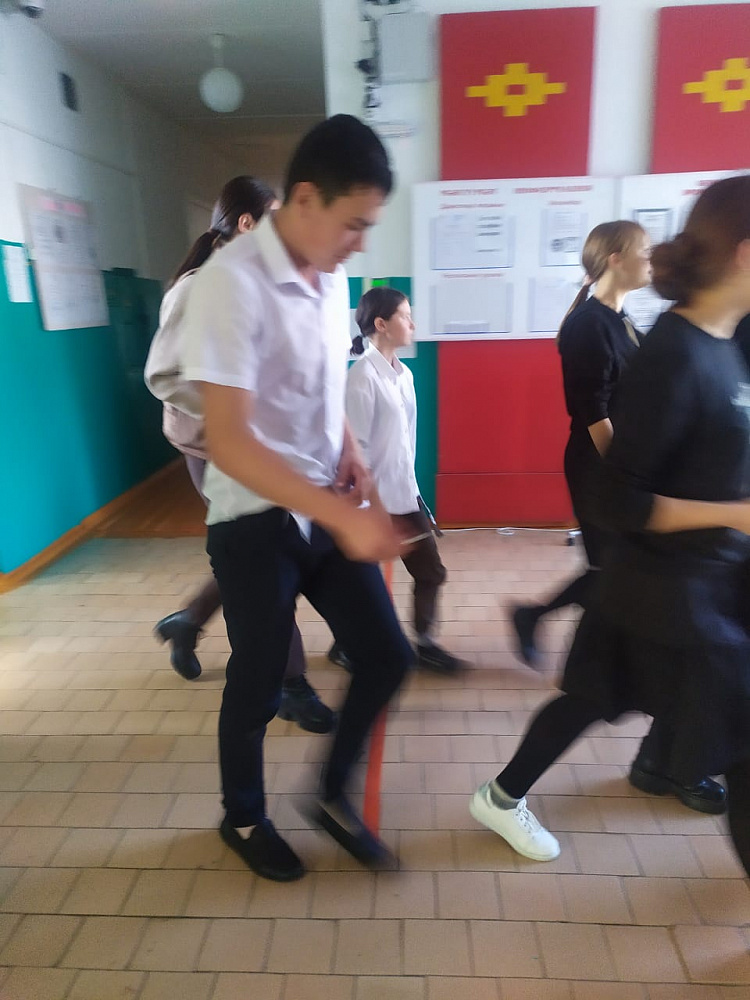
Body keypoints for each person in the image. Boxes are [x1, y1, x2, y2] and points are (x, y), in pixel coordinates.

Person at [470, 175, 750, 876]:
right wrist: (735, 515)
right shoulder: (672, 353)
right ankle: (508, 794)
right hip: (667, 588)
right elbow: (619, 496)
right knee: (717, 729)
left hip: (697, 584)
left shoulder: (726, 341)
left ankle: (537, 788)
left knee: (594, 697)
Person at [181, 115, 414, 882]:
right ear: (306, 199)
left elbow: (319, 383)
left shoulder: (331, 273)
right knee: (258, 682)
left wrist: (349, 451)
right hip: (253, 519)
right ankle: (242, 815)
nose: (360, 243)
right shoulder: (229, 284)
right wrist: (345, 517)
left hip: (318, 501)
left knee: (386, 655)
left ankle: (331, 794)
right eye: (355, 223)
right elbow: (230, 440)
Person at [144, 176, 334, 735]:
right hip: (214, 445)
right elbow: (165, 376)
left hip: (251, 445)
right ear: (247, 225)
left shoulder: (254, 281)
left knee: (257, 552)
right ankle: (291, 685)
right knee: (265, 553)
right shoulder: (197, 287)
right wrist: (235, 411)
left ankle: (189, 621)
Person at [511, 221, 651, 667]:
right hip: (598, 462)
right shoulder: (589, 324)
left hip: (616, 460)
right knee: (611, 567)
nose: (650, 259)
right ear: (615, 259)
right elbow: (593, 411)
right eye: (644, 250)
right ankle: (558, 633)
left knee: (617, 565)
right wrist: (623, 473)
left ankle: (538, 619)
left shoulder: (620, 318)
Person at [328, 286, 462, 674]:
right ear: (382, 324)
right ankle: (347, 645)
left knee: (430, 572)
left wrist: (414, 493)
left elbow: (404, 443)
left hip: (404, 494)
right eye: (405, 316)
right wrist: (366, 509)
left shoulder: (404, 375)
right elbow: (356, 451)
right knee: (362, 584)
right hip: (374, 502)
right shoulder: (361, 378)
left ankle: (424, 644)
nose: (412, 324)